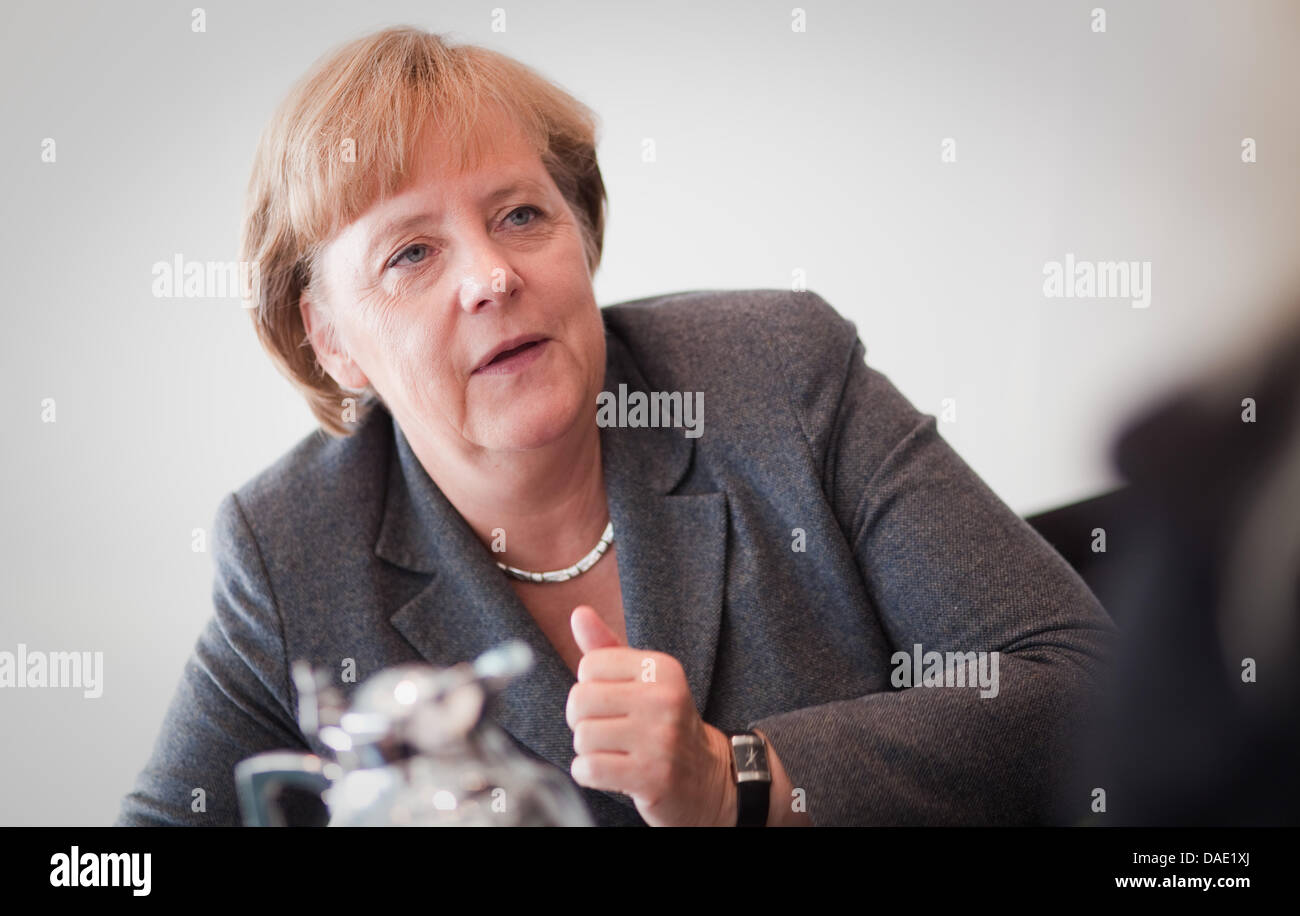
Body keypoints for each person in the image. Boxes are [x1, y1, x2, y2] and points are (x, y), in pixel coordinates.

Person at [114, 25, 1116, 827]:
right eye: (412, 254)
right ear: (328, 336)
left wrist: (741, 780)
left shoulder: (776, 375)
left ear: (580, 234)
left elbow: (1079, 685)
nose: (491, 276)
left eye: (519, 215)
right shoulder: (291, 547)